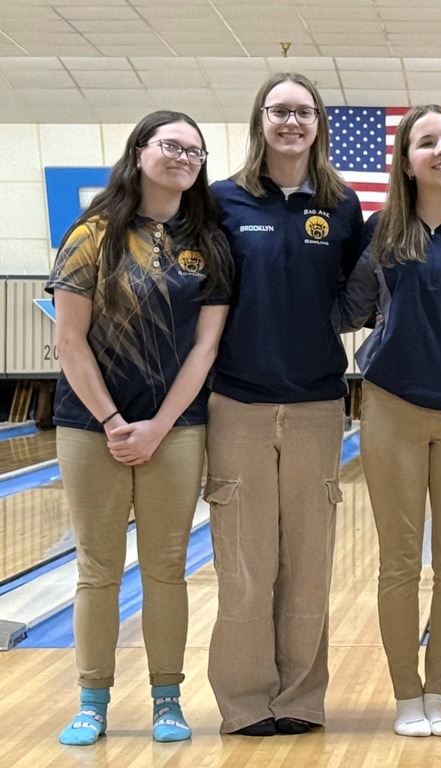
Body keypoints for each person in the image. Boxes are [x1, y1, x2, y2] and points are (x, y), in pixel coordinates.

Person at [47, 110, 231, 746]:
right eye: (172, 145)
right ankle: (92, 700)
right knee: (98, 569)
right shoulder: (91, 234)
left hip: (175, 428)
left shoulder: (208, 242)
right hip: (90, 425)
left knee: (166, 567)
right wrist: (114, 421)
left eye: (196, 152)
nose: (184, 158)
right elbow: (69, 341)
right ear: (140, 150)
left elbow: (206, 348)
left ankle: (167, 699)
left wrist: (158, 426)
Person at [205, 72, 363, 737]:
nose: (291, 122)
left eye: (303, 111)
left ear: (319, 122)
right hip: (237, 401)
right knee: (245, 566)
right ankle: (245, 703)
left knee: (306, 562)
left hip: (317, 403)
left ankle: (299, 698)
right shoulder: (221, 200)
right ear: (260, 119)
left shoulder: (343, 203)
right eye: (279, 110)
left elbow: (359, 296)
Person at [339, 105, 441, 737]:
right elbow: (351, 305)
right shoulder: (382, 232)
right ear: (405, 160)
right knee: (400, 561)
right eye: (426, 142)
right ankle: (407, 695)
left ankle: (440, 691)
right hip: (392, 403)